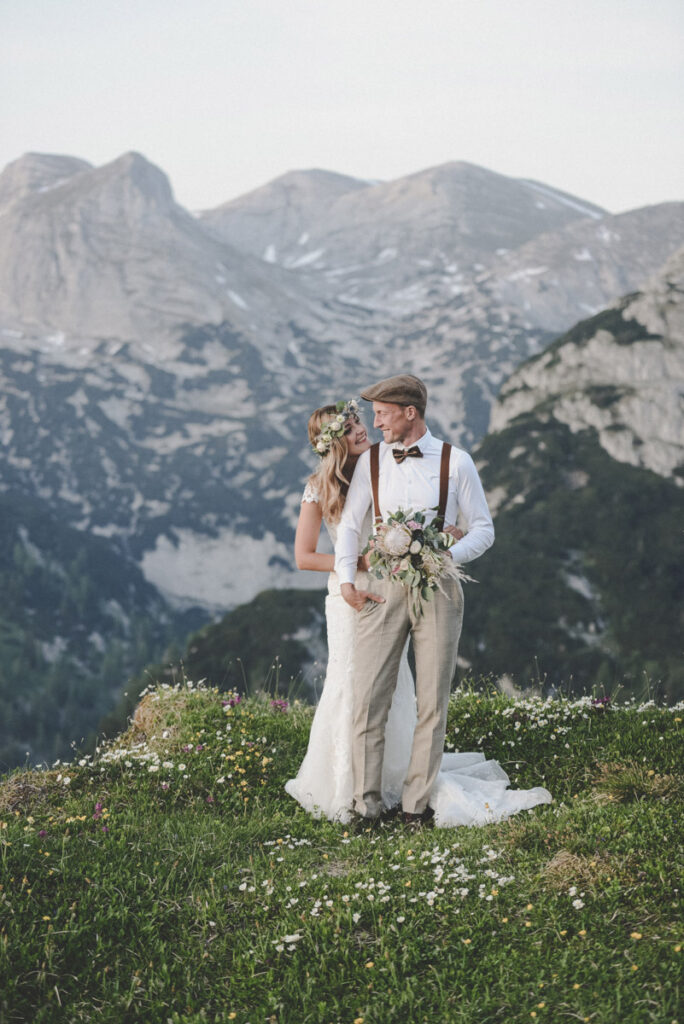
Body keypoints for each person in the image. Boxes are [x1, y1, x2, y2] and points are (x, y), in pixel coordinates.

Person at [286, 391, 552, 828]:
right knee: (358, 692)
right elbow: (327, 542)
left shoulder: (413, 460)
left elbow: (469, 524)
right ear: (334, 442)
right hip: (360, 593)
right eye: (355, 427)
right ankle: (355, 794)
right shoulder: (329, 483)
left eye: (371, 421)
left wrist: (447, 540)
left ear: (408, 414)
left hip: (418, 586)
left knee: (415, 695)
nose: (367, 429)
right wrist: (354, 570)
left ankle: (412, 801)